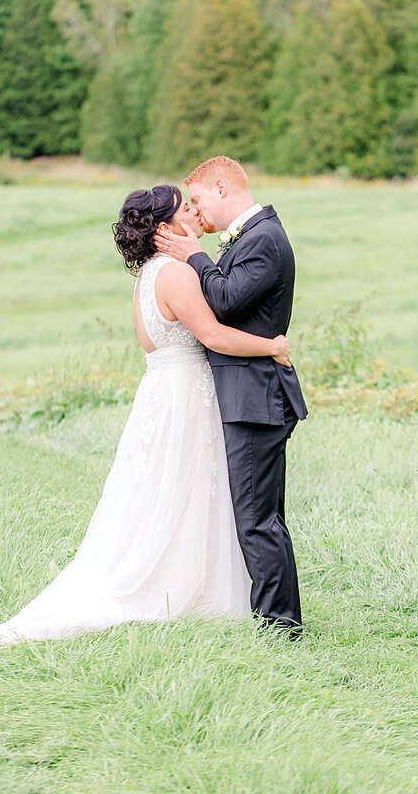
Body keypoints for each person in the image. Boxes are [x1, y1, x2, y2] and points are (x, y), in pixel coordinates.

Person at [0, 184, 292, 651]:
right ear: (165, 228)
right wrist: (273, 346)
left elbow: (152, 345)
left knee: (162, 495)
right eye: (185, 208)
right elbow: (213, 335)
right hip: (188, 395)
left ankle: (192, 586)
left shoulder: (146, 277)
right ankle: (187, 590)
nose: (195, 212)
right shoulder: (178, 274)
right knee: (187, 494)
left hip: (159, 393)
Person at [156, 156, 306, 636]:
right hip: (248, 394)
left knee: (257, 520)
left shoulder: (264, 239)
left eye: (197, 199)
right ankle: (277, 620)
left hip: (256, 398)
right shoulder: (254, 236)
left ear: (222, 189)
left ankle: (280, 628)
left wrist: (193, 258)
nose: (196, 212)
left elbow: (223, 301)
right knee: (261, 517)